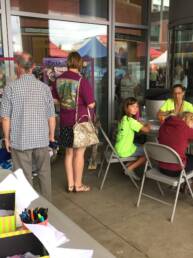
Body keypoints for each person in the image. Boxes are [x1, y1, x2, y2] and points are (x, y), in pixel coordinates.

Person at [0, 52, 56, 201]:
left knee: (24, 177)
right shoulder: (44, 88)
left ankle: (29, 211)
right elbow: (51, 116)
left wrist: (6, 138)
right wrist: (51, 136)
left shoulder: (10, 88)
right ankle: (47, 210)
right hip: (41, 140)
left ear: (18, 67)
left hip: (20, 141)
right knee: (44, 174)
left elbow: (5, 118)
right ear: (32, 67)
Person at [52, 51, 95, 192]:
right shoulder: (82, 81)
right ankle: (78, 185)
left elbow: (55, 100)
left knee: (69, 154)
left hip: (65, 121)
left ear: (68, 62)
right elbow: (91, 104)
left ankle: (70, 185)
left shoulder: (58, 80)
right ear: (79, 63)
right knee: (79, 154)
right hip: (79, 123)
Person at [114, 97, 151, 180]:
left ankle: (128, 165)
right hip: (125, 150)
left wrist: (139, 124)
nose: (136, 109)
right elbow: (147, 130)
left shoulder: (123, 118)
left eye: (137, 106)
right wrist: (148, 124)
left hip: (119, 147)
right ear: (126, 107)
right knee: (148, 152)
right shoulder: (131, 121)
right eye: (133, 106)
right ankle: (130, 169)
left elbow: (136, 128)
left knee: (141, 145)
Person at [158, 112, 193, 177]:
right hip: (177, 170)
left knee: (188, 156)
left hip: (161, 167)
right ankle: (187, 184)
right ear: (184, 119)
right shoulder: (185, 128)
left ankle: (185, 183)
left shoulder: (163, 125)